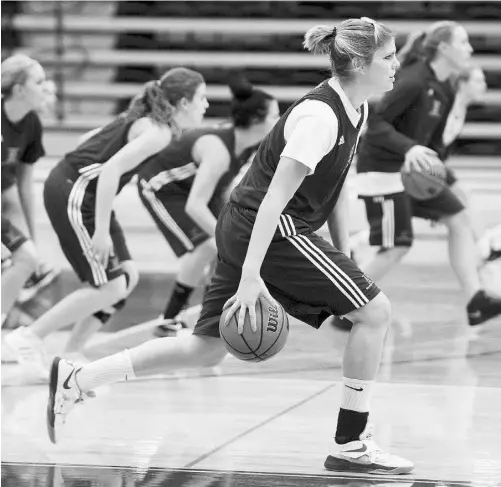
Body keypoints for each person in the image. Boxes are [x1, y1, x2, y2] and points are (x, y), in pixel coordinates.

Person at [47, 18, 413, 474]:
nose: (397, 65)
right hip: (272, 230)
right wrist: (252, 274)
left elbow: (333, 188)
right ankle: (352, 442)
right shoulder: (320, 116)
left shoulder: (354, 109)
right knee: (375, 313)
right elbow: (273, 200)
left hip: (249, 226)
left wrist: (346, 257)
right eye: (388, 57)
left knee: (206, 348)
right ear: (359, 63)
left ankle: (79, 377)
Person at [5, 68, 209, 374]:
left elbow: (89, 139)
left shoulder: (148, 122)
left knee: (126, 277)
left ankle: (71, 352)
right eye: (202, 98)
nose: (206, 105)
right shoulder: (158, 132)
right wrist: (100, 230)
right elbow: (111, 171)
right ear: (183, 103)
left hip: (86, 191)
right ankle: (28, 337)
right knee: (108, 287)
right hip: (75, 192)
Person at [355, 21, 501, 327]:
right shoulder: (413, 80)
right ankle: (349, 304)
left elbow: (433, 146)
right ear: (444, 48)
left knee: (458, 217)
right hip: (382, 170)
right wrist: (408, 148)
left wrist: (443, 182)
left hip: (413, 172)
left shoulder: (445, 87)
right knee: (397, 245)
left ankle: (476, 301)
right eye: (464, 43)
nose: (470, 49)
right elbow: (376, 125)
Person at [138, 75, 279, 337]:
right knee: (207, 245)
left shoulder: (248, 145)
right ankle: (168, 319)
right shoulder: (219, 150)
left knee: (225, 248)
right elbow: (195, 206)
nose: (279, 122)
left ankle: (209, 318)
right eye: (274, 116)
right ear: (255, 120)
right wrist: (223, 235)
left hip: (192, 187)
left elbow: (223, 189)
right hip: (161, 186)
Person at [1, 54, 54, 323]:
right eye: (39, 81)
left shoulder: (31, 123)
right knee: (20, 257)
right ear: (19, 89)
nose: (47, 87)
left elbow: (24, 182)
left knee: (27, 258)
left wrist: (31, 238)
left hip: (5, 191)